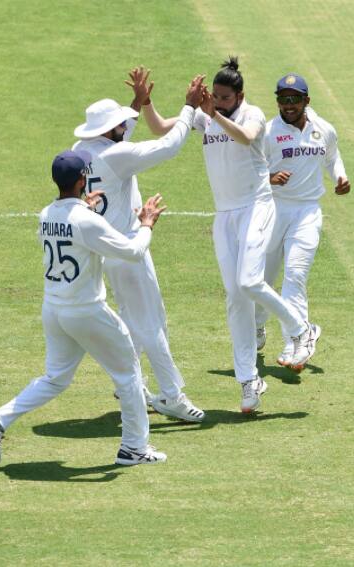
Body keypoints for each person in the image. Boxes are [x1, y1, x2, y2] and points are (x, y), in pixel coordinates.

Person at [138, 57, 321, 412]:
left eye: (224, 97)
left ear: (239, 95)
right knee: (236, 296)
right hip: (225, 215)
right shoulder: (206, 117)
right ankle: (248, 380)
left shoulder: (250, 114)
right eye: (215, 97)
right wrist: (148, 102)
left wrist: (215, 115)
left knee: (250, 281)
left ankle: (301, 329)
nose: (218, 102)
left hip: (256, 206)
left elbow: (247, 137)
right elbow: (161, 128)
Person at [0, 149, 168, 466]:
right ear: (83, 179)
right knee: (128, 374)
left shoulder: (46, 213)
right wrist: (146, 224)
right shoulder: (86, 220)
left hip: (54, 310)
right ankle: (134, 448)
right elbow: (133, 252)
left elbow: (72, 229)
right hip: (87, 311)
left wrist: (85, 210)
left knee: (54, 378)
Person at [72, 69, 205, 422]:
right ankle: (172, 396)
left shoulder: (80, 151)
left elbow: (118, 140)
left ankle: (127, 382)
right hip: (128, 247)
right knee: (150, 323)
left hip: (104, 249)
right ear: (108, 130)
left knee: (137, 320)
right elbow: (169, 145)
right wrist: (189, 107)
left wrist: (138, 103)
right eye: (120, 123)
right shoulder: (118, 156)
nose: (125, 125)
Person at [255, 74, 350, 367]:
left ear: (306, 101)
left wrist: (340, 177)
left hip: (307, 213)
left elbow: (332, 156)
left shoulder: (324, 130)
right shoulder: (268, 132)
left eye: (294, 99)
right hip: (273, 210)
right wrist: (269, 178)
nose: (288, 104)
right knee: (262, 279)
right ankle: (256, 327)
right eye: (283, 99)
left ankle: (296, 340)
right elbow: (250, 169)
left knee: (295, 276)